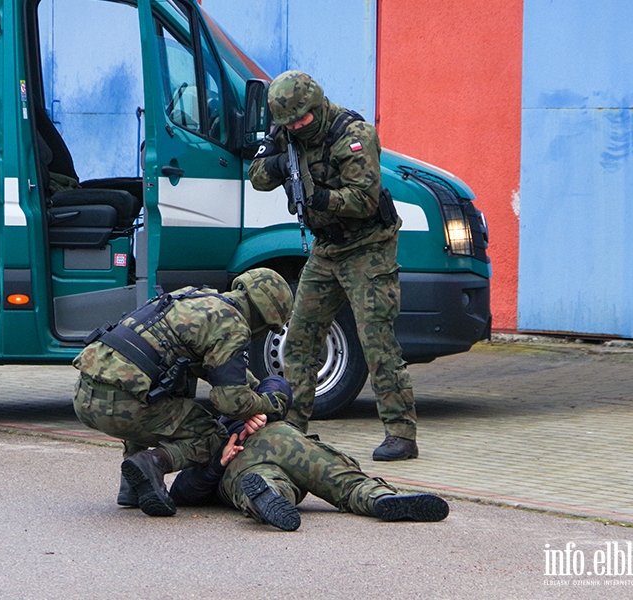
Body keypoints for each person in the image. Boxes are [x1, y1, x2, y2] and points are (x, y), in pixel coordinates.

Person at [248, 70, 418, 461]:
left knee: (377, 342)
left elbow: (364, 200)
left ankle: (401, 433)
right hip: (326, 249)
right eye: (290, 123)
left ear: (317, 103)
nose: (298, 127)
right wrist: (277, 165)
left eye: (303, 119)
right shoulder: (286, 132)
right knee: (300, 339)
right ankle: (291, 428)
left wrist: (321, 199)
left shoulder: (352, 134)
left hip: (368, 247)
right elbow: (257, 177)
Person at [71, 268, 294, 517]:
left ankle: (131, 486)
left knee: (158, 393)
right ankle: (153, 463)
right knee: (212, 435)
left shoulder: (194, 298)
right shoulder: (234, 325)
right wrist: (266, 404)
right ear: (263, 318)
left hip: (85, 397)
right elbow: (231, 403)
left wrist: (251, 387)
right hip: (122, 407)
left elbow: (213, 366)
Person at [169, 398, 449, 531]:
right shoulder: (247, 404)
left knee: (262, 488)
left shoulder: (202, 446)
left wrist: (218, 464)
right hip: (283, 439)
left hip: (241, 467)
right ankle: (380, 500)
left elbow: (182, 493)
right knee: (343, 481)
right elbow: (278, 389)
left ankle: (265, 499)